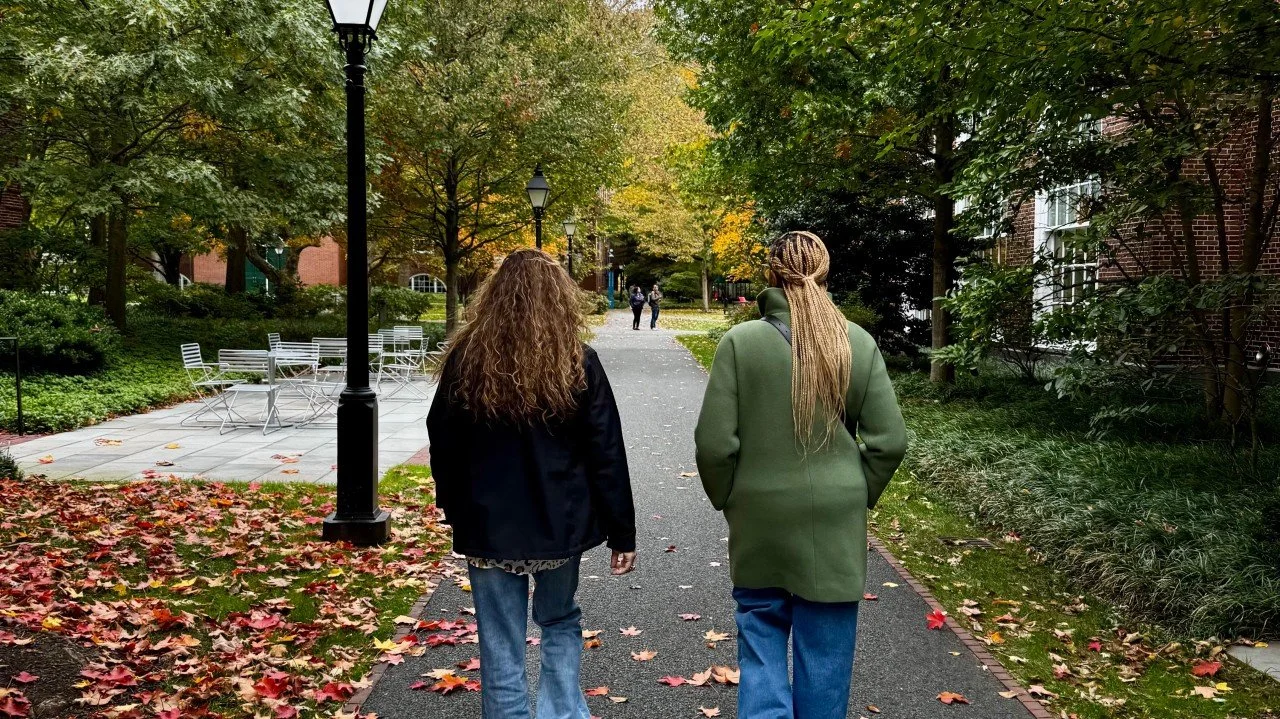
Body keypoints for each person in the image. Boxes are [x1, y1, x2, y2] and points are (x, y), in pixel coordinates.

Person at [694, 231, 907, 719]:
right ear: (825, 274)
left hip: (760, 515)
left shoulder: (741, 344)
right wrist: (858, 492)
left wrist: (730, 497)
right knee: (826, 653)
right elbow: (889, 441)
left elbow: (713, 444)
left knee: (760, 634)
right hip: (835, 518)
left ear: (772, 274)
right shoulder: (855, 342)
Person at [428, 248, 637, 719]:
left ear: (494, 296)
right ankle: (562, 713)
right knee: (560, 619)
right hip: (558, 522)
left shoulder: (467, 359)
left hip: (487, 522)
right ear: (558, 299)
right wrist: (622, 531)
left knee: (500, 640)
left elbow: (442, 439)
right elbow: (606, 450)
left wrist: (454, 505)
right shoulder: (575, 361)